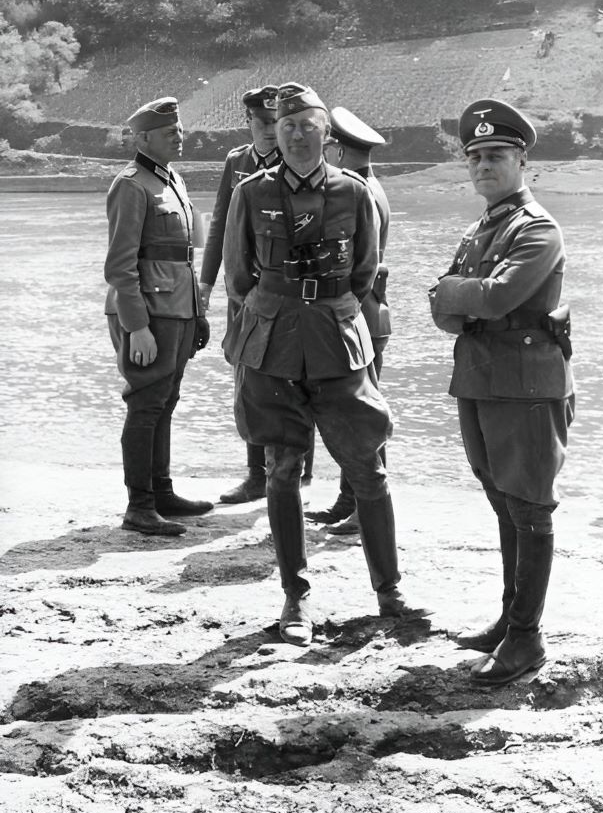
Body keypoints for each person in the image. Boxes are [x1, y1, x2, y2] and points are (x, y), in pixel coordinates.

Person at [223, 82, 422, 646]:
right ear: (276, 135)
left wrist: (326, 306)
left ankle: (389, 590)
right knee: (282, 469)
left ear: (325, 134)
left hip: (337, 342)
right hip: (273, 346)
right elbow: (240, 276)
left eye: (307, 125)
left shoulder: (354, 193)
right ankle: (295, 598)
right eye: (287, 127)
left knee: (367, 467)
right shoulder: (249, 193)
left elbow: (363, 272)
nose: (296, 134)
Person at [429, 99, 574, 685]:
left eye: (496, 155)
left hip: (527, 387)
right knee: (502, 501)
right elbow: (447, 309)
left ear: (521, 163)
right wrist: (463, 296)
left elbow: (492, 299)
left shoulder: (537, 227)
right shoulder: (481, 228)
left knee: (529, 506)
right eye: (477, 157)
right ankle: (511, 620)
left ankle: (527, 638)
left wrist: (457, 293)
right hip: (482, 379)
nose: (485, 165)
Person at [105, 96, 213, 536]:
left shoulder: (175, 181)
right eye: (171, 133)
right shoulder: (130, 186)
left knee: (166, 401)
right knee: (146, 403)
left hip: (178, 311)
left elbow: (188, 256)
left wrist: (199, 314)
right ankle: (140, 505)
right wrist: (137, 328)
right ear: (144, 138)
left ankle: (162, 491)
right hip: (149, 313)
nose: (180, 137)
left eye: (181, 130)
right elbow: (119, 266)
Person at [307, 106, 391, 536]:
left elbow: (359, 263)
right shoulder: (372, 185)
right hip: (368, 313)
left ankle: (364, 508)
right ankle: (349, 501)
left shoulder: (357, 189)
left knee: (362, 414)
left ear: (337, 149)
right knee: (354, 407)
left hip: (361, 314)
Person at [199, 85, 285, 505]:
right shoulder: (237, 162)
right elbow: (219, 225)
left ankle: (292, 472)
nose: (271, 131)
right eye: (263, 123)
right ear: (248, 121)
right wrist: (206, 283)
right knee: (247, 378)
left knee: (289, 377)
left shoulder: (298, 161)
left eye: (277, 122)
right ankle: (256, 473)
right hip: (241, 294)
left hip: (282, 293)